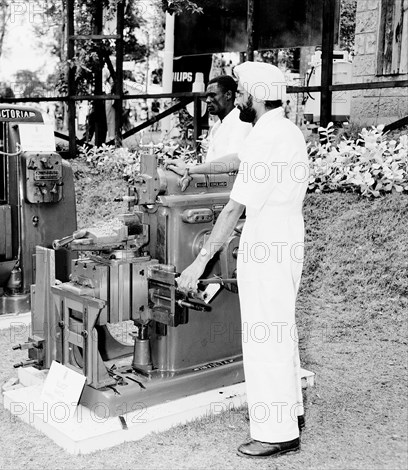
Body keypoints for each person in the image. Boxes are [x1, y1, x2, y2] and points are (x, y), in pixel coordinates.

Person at [177, 62, 309, 458]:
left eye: (244, 96)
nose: (239, 104)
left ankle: (276, 432)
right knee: (279, 327)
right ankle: (291, 410)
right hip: (282, 235)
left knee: (263, 335)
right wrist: (197, 168)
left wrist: (199, 263)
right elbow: (237, 160)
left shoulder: (270, 137)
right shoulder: (278, 129)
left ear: (255, 96)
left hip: (269, 239)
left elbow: (234, 209)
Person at [167, 75, 251, 175]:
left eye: (212, 95)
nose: (207, 100)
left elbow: (234, 162)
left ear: (228, 95)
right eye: (207, 96)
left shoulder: (240, 121)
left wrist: (189, 170)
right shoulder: (218, 125)